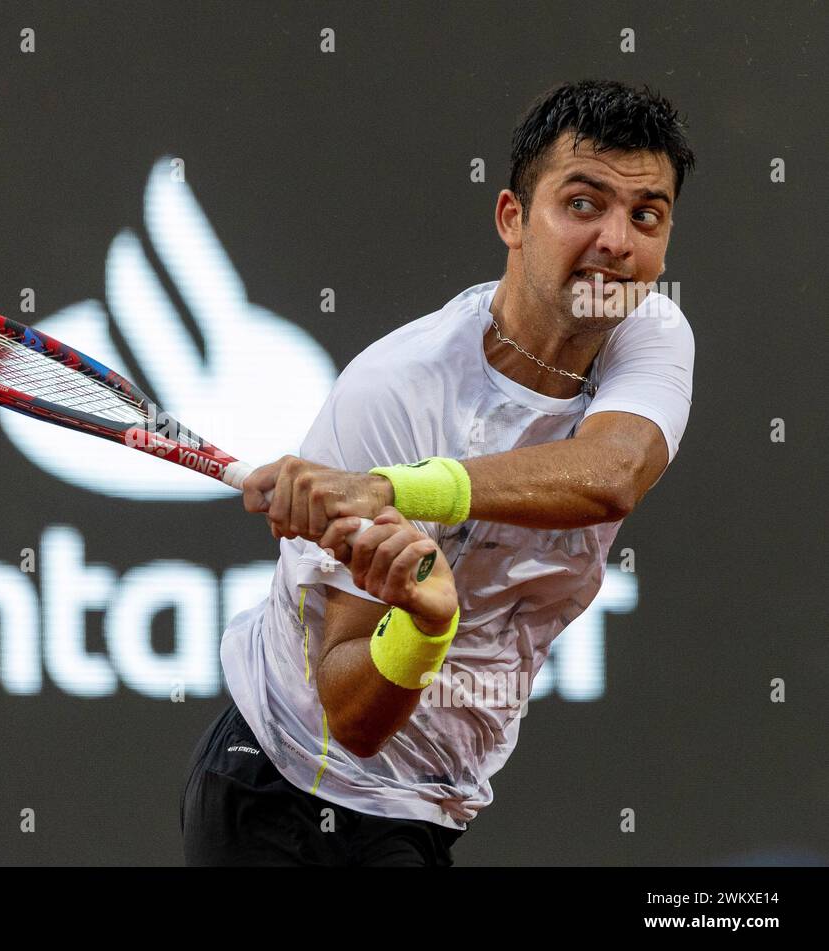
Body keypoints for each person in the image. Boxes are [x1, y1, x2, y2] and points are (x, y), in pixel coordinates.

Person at [180, 79, 697, 866]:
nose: (617, 242)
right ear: (512, 219)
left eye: (646, 216)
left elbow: (613, 473)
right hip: (292, 797)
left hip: (428, 802)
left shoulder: (649, 329)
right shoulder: (396, 392)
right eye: (582, 205)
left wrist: (392, 488)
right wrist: (423, 627)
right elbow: (351, 716)